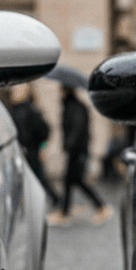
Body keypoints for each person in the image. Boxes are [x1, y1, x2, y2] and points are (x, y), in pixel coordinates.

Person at [48, 86, 113, 226]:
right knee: (71, 181)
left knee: (76, 180)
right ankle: (66, 211)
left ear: (65, 90)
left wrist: (69, 146)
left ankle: (101, 207)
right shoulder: (70, 106)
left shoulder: (75, 107)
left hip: (77, 151)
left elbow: (77, 131)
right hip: (76, 150)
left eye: (60, 90)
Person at [7, 82, 59, 206]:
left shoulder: (29, 110)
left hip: (30, 150)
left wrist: (41, 147)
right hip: (21, 150)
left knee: (37, 177)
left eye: (18, 89)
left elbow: (44, 131)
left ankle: (55, 200)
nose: (14, 91)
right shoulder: (14, 109)